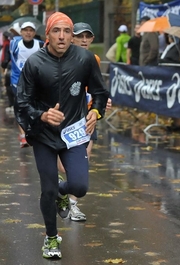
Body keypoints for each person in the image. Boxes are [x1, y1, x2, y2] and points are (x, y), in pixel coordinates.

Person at [15, 12, 109, 259]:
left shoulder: (85, 59)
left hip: (74, 134)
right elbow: (22, 103)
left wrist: (96, 112)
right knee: (47, 189)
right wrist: (43, 115)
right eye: (57, 31)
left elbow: (100, 93)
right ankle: (51, 238)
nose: (62, 36)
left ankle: (61, 191)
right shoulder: (34, 63)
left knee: (79, 186)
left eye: (67, 31)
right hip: (44, 135)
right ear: (47, 35)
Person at [56, 22, 112, 222]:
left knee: (83, 160)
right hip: (63, 119)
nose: (84, 40)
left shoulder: (93, 59)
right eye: (80, 36)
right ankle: (59, 188)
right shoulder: (59, 58)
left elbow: (97, 89)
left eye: (88, 37)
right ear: (71, 37)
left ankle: (73, 206)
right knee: (63, 168)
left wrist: (100, 104)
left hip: (86, 119)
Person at [8, 22, 43, 147]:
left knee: (32, 106)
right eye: (25, 30)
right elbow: (8, 57)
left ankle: (31, 131)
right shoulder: (15, 44)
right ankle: (23, 135)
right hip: (17, 81)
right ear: (21, 32)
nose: (28, 33)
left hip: (34, 81)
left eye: (31, 30)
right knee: (20, 106)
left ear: (34, 33)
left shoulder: (40, 45)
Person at [1, 31, 12, 113]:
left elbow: (6, 56)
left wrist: (4, 64)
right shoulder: (6, 43)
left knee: (7, 83)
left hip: (7, 66)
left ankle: (11, 104)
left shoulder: (7, 44)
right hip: (6, 65)